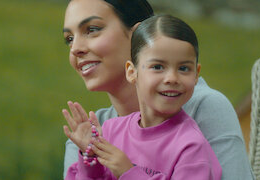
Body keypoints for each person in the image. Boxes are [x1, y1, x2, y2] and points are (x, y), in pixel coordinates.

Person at [62, 0, 254, 179]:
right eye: (69, 39)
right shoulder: (90, 132)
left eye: (92, 29)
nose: (75, 48)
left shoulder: (203, 107)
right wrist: (89, 160)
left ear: (139, 36)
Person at [63, 14, 222, 179]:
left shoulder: (191, 147)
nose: (172, 78)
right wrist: (90, 157)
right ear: (132, 72)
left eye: (184, 69)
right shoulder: (111, 131)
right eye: (158, 66)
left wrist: (128, 173)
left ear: (196, 75)